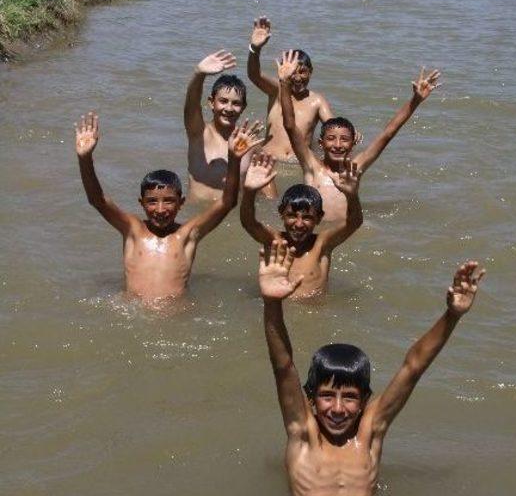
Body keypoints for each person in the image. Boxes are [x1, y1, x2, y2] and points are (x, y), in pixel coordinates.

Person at [259, 240, 485, 496]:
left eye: (350, 398)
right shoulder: (304, 434)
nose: (338, 408)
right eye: (327, 396)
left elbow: (413, 367)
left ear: (365, 400)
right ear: (310, 400)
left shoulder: (369, 433)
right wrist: (272, 304)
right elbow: (283, 366)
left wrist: (452, 315)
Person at [75, 112, 263, 304]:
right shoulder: (133, 229)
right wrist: (85, 159)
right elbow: (97, 200)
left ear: (181, 203)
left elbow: (227, 202)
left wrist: (234, 159)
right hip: (133, 313)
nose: (160, 209)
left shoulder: (187, 234)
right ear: (141, 203)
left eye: (169, 201)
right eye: (152, 202)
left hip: (174, 315)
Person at [278, 51, 440, 221]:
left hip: (343, 232)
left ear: (353, 143)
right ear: (321, 143)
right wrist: (284, 83)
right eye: (331, 138)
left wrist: (415, 100)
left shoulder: (355, 168)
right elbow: (290, 125)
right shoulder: (311, 166)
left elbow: (388, 133)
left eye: (345, 139)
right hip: (315, 232)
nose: (338, 144)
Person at [240, 155, 362, 299]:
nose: (299, 224)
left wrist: (351, 195)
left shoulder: (321, 244)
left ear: (319, 218)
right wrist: (249, 192)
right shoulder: (274, 240)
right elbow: (248, 222)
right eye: (292, 216)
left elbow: (354, 222)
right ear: (281, 214)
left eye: (307, 218)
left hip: (313, 314)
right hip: (278, 308)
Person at [246, 17, 334, 198]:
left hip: (298, 164)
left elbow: (332, 125)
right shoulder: (276, 90)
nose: (297, 77)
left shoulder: (316, 101)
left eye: (302, 71)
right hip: (269, 159)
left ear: (311, 72)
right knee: (271, 203)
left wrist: (350, 133)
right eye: (293, 71)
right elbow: (254, 75)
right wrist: (255, 49)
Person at [184, 48, 258, 202]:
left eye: (236, 103)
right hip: (197, 218)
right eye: (223, 101)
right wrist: (199, 74)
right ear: (211, 102)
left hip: (231, 216)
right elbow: (192, 105)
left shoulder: (249, 143)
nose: (229, 108)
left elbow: (265, 186)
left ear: (243, 107)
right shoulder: (199, 133)